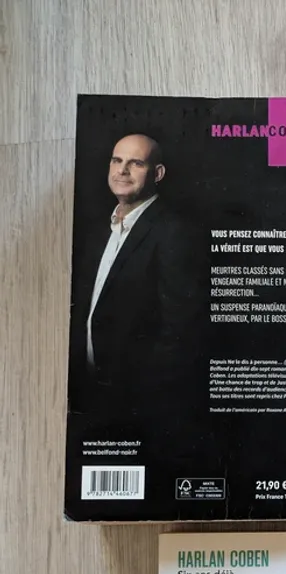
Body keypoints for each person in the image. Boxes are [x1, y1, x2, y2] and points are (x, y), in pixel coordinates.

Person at [68, 133, 204, 423]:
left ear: (158, 173)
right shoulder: (97, 230)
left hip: (135, 402)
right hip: (88, 391)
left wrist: (140, 395)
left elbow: (180, 331)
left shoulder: (174, 232)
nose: (122, 170)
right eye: (117, 160)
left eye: (136, 163)